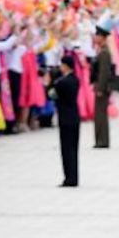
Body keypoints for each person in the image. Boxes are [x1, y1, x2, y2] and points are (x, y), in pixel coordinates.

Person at [50, 55, 80, 187]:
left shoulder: (62, 83)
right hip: (74, 117)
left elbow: (51, 94)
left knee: (66, 150)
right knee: (74, 149)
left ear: (66, 66)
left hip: (65, 118)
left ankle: (69, 178)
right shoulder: (75, 80)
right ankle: (74, 177)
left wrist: (49, 82)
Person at [92, 26, 114, 149]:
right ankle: (100, 139)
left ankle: (102, 140)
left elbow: (104, 72)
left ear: (102, 37)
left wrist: (100, 88)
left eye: (97, 36)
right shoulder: (101, 50)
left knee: (100, 114)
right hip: (100, 86)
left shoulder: (104, 52)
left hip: (102, 88)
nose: (95, 38)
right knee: (99, 114)